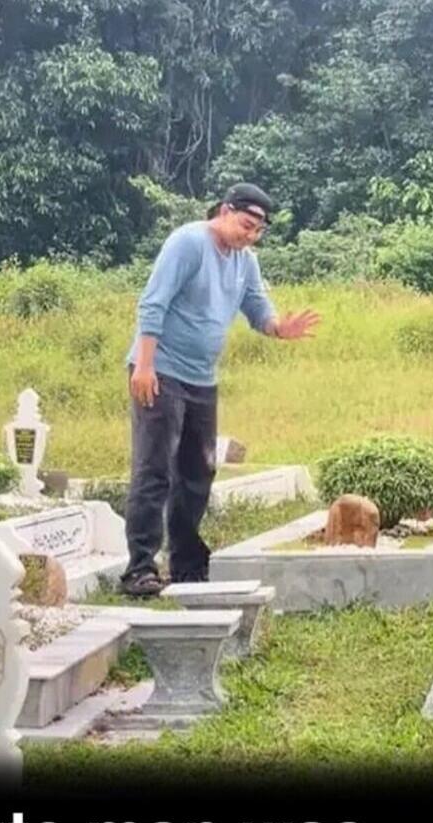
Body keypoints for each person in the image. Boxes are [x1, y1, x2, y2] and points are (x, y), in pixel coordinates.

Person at [119, 182, 320, 598]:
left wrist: (280, 328)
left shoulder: (245, 261)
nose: (251, 235)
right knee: (154, 468)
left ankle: (188, 566)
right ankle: (139, 569)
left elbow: (256, 306)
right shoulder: (189, 242)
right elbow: (153, 303)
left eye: (258, 231)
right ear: (225, 211)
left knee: (197, 472)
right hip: (160, 369)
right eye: (246, 225)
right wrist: (144, 363)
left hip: (201, 378)